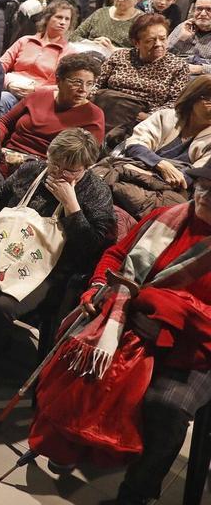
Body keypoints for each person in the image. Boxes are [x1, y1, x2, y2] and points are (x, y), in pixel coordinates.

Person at [38, 185, 211, 505]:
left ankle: (137, 494)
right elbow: (117, 255)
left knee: (167, 406)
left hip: (194, 349)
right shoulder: (168, 217)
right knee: (87, 355)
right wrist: (100, 287)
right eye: (203, 186)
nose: (203, 195)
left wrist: (171, 308)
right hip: (131, 320)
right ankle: (71, 441)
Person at [0, 129, 114, 405]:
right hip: (7, 253)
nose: (58, 172)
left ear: (86, 167)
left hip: (49, 270)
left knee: (2, 306)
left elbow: (92, 244)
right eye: (55, 164)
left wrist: (72, 205)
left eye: (69, 170)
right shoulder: (33, 171)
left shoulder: (96, 192)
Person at [95, 76, 211, 218]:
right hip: (133, 173)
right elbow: (135, 145)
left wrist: (148, 171)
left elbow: (193, 177)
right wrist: (160, 164)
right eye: (209, 99)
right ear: (193, 98)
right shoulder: (166, 117)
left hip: (167, 191)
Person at [0, 53, 105, 175]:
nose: (83, 89)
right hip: (6, 156)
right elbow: (4, 123)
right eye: (77, 82)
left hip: (45, 171)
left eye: (89, 84)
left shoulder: (94, 115)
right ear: (58, 80)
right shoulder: (38, 96)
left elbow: (83, 160)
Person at [93, 13, 189, 136]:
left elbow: (176, 102)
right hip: (107, 107)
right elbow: (96, 83)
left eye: (163, 38)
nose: (158, 44)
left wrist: (148, 116)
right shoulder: (120, 56)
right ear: (136, 42)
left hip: (142, 119)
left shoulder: (178, 66)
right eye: (150, 40)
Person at [0, 0, 77, 114]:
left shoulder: (69, 52)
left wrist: (35, 90)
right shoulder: (25, 41)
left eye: (67, 19)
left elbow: (64, 86)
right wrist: (8, 83)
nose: (63, 22)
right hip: (11, 88)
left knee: (3, 100)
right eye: (59, 17)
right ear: (47, 18)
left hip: (40, 97)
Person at [71, 0, 144, 52]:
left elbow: (143, 50)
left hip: (120, 59)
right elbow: (74, 36)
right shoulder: (101, 13)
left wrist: (114, 49)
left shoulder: (142, 20)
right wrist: (92, 43)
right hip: (90, 53)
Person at [168, 0, 211, 74]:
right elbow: (162, 56)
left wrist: (200, 69)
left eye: (209, 10)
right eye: (199, 9)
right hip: (177, 74)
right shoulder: (184, 26)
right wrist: (181, 39)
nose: (203, 14)